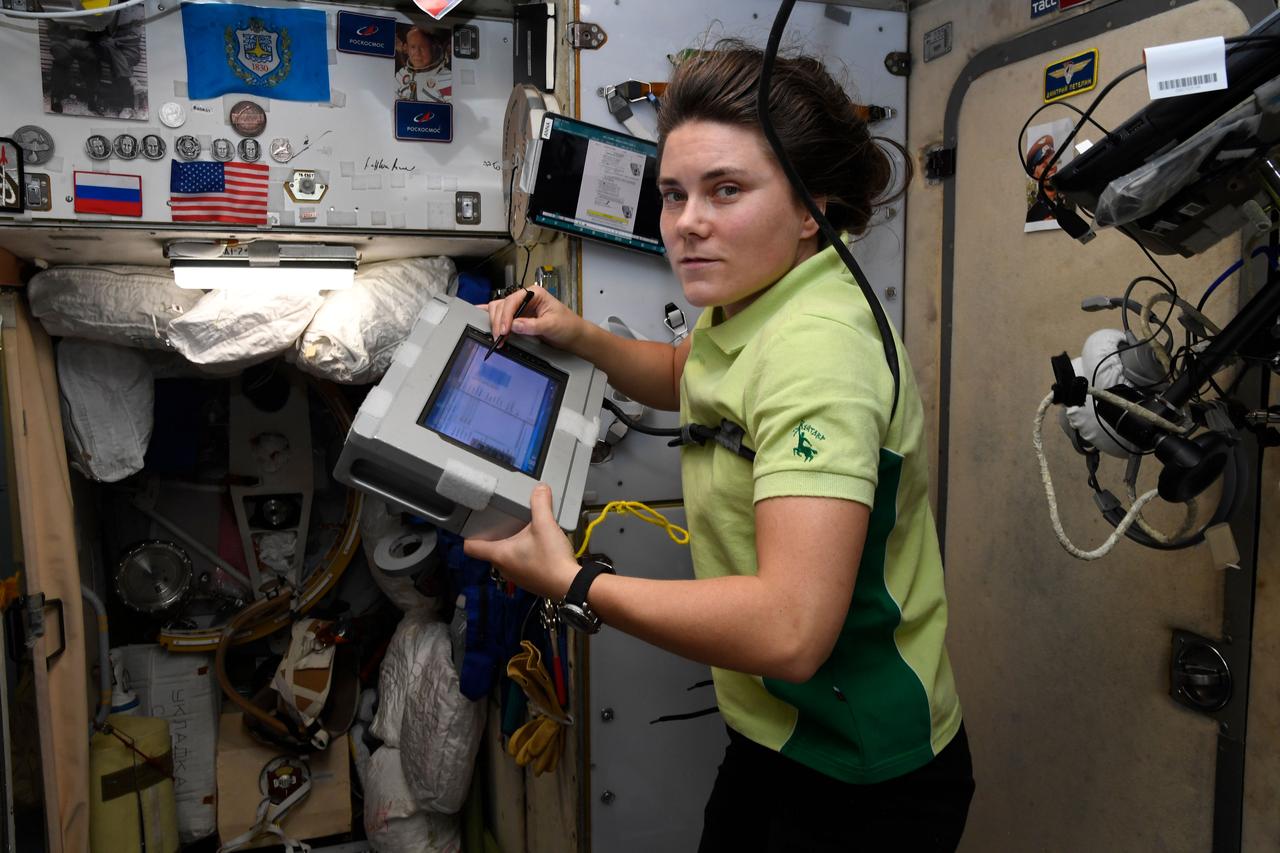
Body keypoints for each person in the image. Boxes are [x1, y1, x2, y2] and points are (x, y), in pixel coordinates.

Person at [466, 41, 974, 852]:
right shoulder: (755, 295)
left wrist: (573, 581)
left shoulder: (818, 352)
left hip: (862, 773)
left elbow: (789, 630)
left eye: (726, 190)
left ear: (811, 208)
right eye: (674, 194)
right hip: (773, 733)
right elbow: (686, 374)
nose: (687, 222)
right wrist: (579, 333)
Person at [394, 25, 451, 103]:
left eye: (423, 47)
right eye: (413, 47)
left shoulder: (447, 78)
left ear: (433, 48)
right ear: (407, 49)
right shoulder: (401, 76)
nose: (417, 53)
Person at [1025, 134, 1060, 223]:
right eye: (1044, 166)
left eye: (1052, 162)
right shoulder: (1035, 216)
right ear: (1035, 176)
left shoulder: (1070, 195)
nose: (1051, 168)